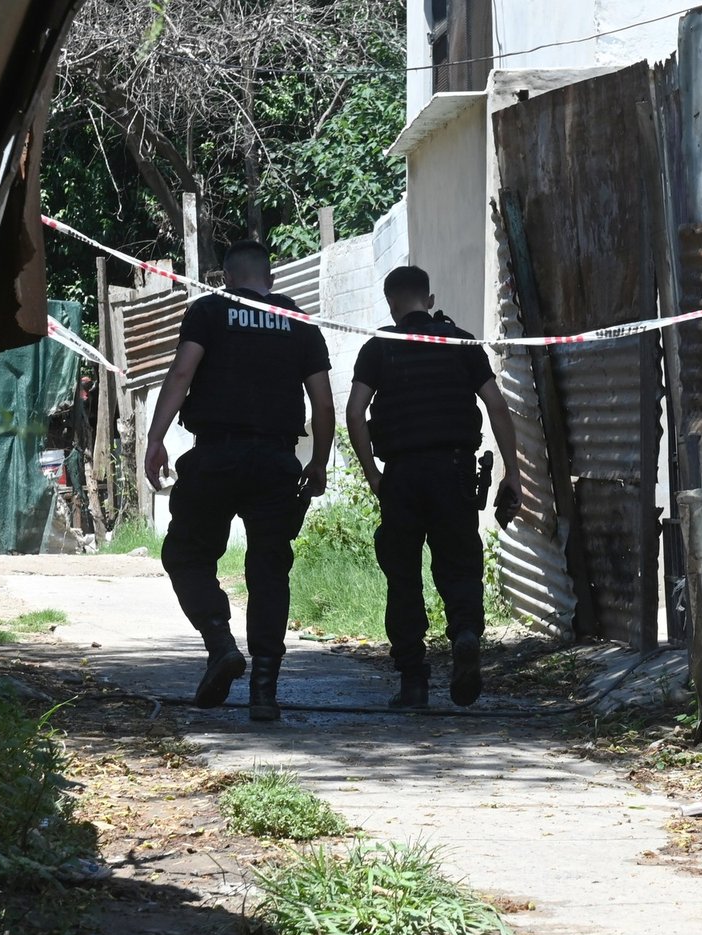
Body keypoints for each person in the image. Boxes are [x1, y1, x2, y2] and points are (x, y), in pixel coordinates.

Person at [144, 240, 334, 721]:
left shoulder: (209, 310)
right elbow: (323, 402)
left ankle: (220, 644)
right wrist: (318, 462)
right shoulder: (296, 318)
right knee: (269, 570)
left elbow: (182, 372)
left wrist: (156, 438)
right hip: (275, 460)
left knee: (186, 554)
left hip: (216, 455)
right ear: (270, 279)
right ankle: (264, 690)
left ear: (227, 277)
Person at [345, 265, 522, 708]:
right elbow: (497, 406)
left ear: (391, 304)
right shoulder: (461, 342)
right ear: (429, 299)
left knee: (403, 576)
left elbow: (355, 412)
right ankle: (465, 634)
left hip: (401, 475)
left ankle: (413, 682)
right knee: (460, 565)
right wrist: (513, 473)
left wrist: (373, 474)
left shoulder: (378, 348)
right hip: (454, 471)